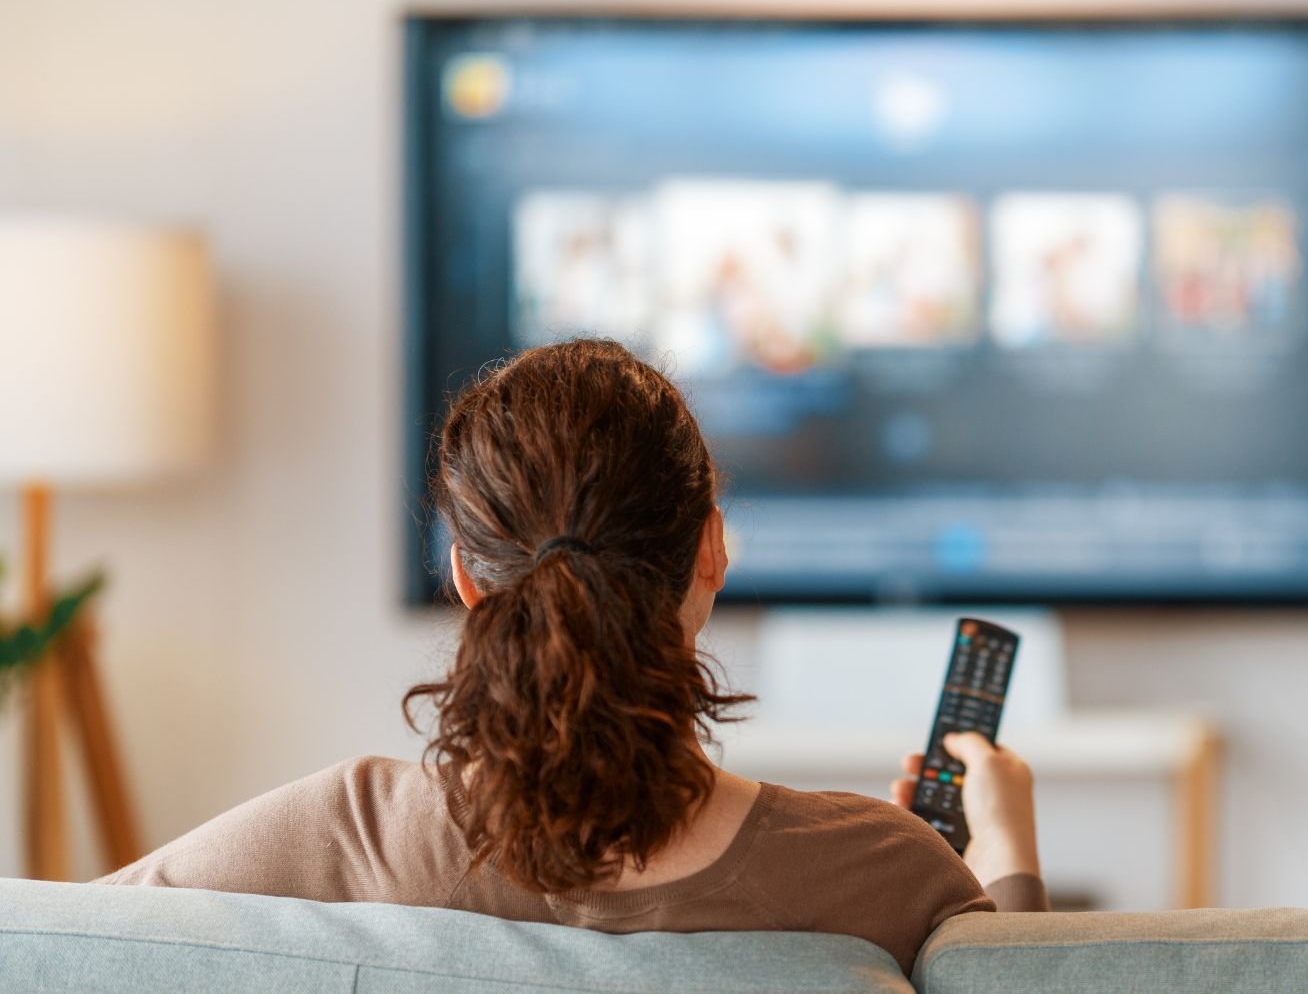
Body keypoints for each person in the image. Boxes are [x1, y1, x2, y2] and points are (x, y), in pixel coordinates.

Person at [98, 338, 1046, 974]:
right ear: (711, 549)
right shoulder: (882, 871)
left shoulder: (343, 834)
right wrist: (1004, 860)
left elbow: (57, 947)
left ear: (468, 579)